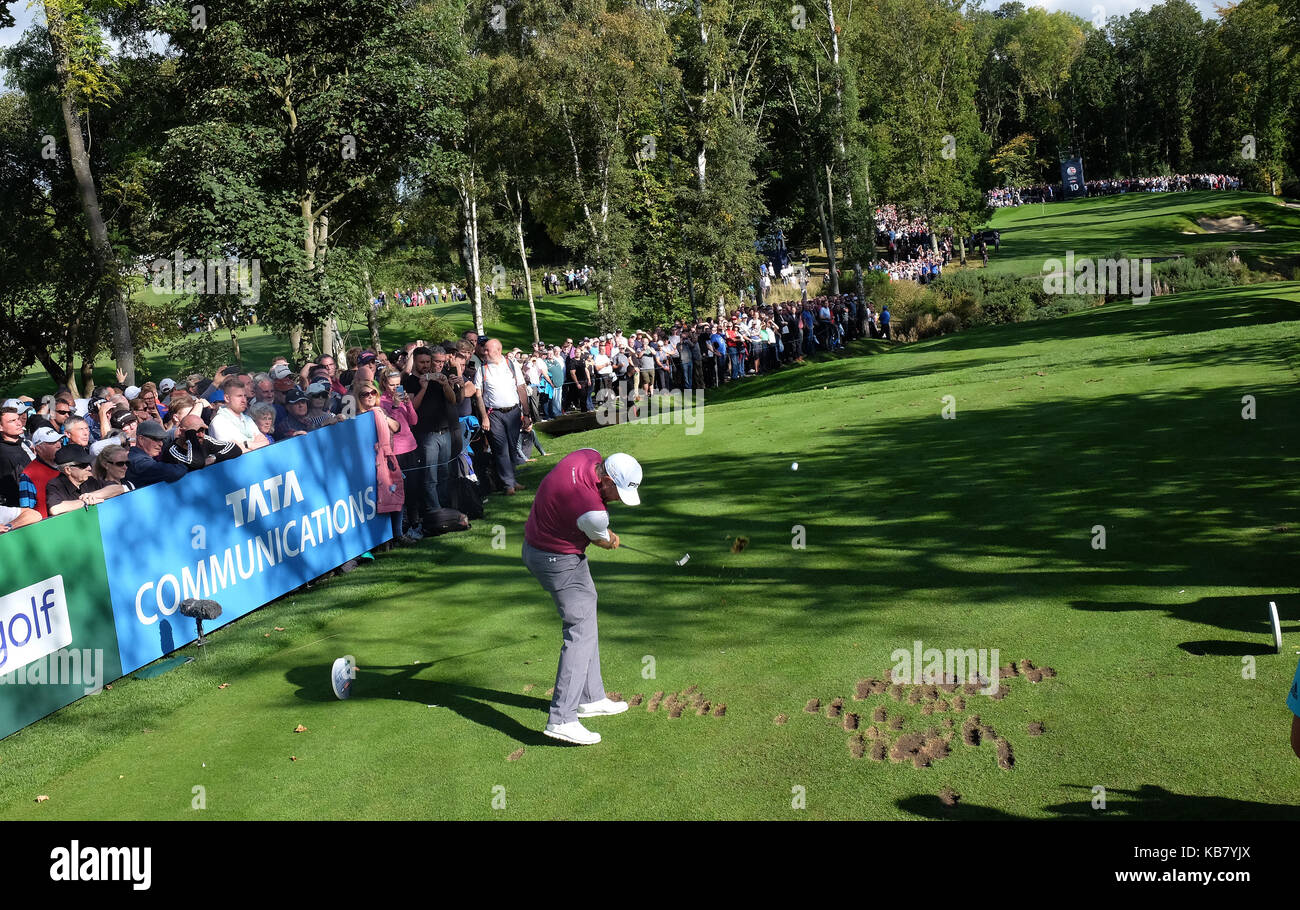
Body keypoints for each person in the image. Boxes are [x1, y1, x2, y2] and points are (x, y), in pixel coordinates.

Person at [522, 449, 643, 746]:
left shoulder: (586, 455)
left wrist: (603, 533)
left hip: (543, 545)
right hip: (555, 559)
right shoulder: (594, 511)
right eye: (618, 494)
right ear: (606, 482)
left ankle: (591, 697)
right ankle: (562, 718)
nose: (618, 500)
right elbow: (600, 538)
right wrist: (610, 538)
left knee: (586, 617)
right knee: (579, 632)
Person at [479, 339, 530, 495]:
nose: (484, 352)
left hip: (513, 412)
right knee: (501, 449)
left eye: (487, 350)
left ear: (498, 350)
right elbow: (478, 395)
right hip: (494, 414)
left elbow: (521, 388)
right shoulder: (482, 369)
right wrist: (484, 417)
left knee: (512, 447)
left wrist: (526, 414)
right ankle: (508, 484)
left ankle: (512, 480)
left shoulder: (511, 365)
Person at [46, 444, 127, 515]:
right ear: (68, 470)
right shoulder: (55, 485)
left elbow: (118, 488)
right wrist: (84, 502)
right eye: (83, 465)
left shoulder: (90, 478)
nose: (89, 467)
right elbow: (55, 509)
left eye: (88, 463)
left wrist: (93, 495)